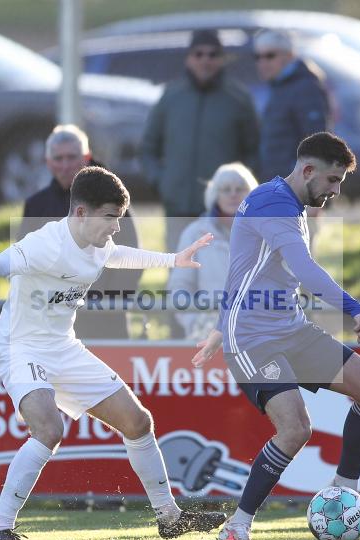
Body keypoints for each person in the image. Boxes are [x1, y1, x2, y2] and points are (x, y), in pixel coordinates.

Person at [0, 166, 226, 540]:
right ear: (81, 212)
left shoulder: (98, 245)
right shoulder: (44, 244)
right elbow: (0, 262)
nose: (116, 227)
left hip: (63, 347)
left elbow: (119, 256)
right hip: (20, 346)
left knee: (138, 422)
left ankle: (169, 517)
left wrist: (173, 260)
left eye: (119, 218)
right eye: (111, 217)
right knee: (49, 430)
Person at [193, 133, 360, 540]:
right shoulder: (273, 204)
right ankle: (238, 524)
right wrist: (353, 307)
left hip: (291, 328)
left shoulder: (288, 201)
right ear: (307, 171)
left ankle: (347, 492)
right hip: (250, 337)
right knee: (296, 429)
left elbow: (267, 271)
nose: (336, 191)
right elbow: (305, 270)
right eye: (333, 181)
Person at [141, 29, 259, 252]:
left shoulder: (238, 99)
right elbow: (148, 148)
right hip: (178, 207)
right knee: (181, 273)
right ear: (189, 58)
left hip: (223, 210)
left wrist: (239, 192)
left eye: (213, 54)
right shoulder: (171, 96)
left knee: (221, 273)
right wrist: (162, 182)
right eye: (199, 54)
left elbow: (254, 152)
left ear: (222, 59)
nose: (206, 60)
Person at [22, 124, 141, 339]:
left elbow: (131, 257)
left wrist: (106, 303)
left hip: (105, 322)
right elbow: (25, 260)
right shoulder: (36, 206)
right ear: (48, 163)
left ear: (86, 157)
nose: (65, 165)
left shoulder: (113, 197)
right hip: (53, 324)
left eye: (72, 157)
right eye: (58, 159)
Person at [166, 162, 257, 341]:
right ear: (215, 194)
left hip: (256, 334)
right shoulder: (194, 234)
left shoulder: (268, 233)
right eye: (225, 189)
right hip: (206, 334)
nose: (233, 194)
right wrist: (194, 323)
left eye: (240, 188)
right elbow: (180, 287)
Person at [254, 29, 331, 182]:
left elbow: (317, 143)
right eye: (257, 57)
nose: (263, 62)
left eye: (270, 56)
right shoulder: (280, 87)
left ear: (288, 55)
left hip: (294, 188)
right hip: (279, 185)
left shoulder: (305, 88)